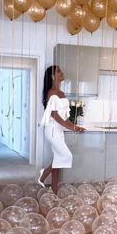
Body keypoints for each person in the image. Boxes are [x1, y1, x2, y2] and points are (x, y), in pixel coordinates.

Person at [38, 65, 85, 194]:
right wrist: (72, 127)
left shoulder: (62, 93)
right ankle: (44, 173)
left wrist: (74, 126)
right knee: (66, 155)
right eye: (59, 71)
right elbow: (54, 115)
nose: (62, 73)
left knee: (58, 158)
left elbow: (64, 116)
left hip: (59, 130)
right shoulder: (51, 93)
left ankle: (53, 189)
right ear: (53, 76)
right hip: (52, 130)